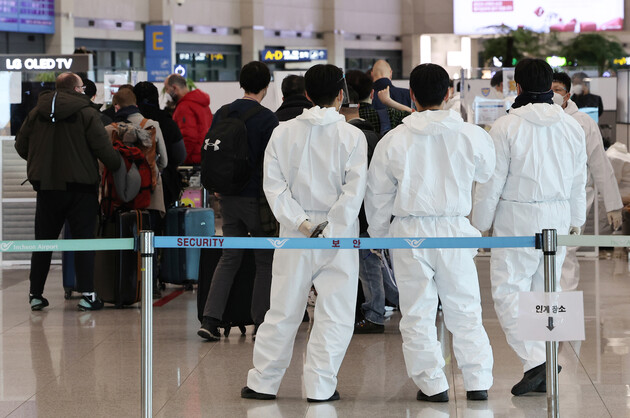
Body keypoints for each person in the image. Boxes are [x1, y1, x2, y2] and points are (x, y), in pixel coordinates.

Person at [366, 63, 495, 402]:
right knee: (465, 307)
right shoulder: (472, 135)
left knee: (417, 311)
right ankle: (478, 380)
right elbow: (487, 173)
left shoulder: (394, 140)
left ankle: (433, 385)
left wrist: (379, 238)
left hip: (409, 231)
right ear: (449, 94)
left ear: (411, 96)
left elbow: (377, 195)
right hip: (454, 228)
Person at [242, 64, 367, 402]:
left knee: (283, 308)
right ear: (341, 95)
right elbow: (353, 192)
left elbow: (274, 187)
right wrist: (332, 227)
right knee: (335, 312)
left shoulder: (281, 132)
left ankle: (263, 383)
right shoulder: (352, 136)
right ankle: (320, 386)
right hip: (339, 235)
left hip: (295, 233)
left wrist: (301, 223)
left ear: (307, 95)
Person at [472, 58, 588, 396]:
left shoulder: (506, 127)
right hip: (558, 217)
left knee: (509, 291)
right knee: (547, 292)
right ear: (551, 87)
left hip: (517, 218)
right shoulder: (570, 126)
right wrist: (576, 222)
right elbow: (578, 180)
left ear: (517, 86)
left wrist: (480, 223)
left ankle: (537, 360)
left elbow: (492, 182)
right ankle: (544, 361)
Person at [15, 72, 122, 311]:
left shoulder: (36, 112)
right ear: (76, 89)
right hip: (80, 189)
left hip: (46, 187)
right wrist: (117, 164)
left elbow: (21, 146)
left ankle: (35, 294)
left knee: (42, 242)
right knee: (84, 241)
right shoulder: (87, 113)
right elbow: (102, 149)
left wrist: (40, 162)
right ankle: (88, 295)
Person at [197, 61, 279, 341]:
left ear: (241, 83)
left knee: (229, 257)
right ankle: (261, 323)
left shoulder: (222, 112)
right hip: (256, 199)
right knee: (265, 259)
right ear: (266, 87)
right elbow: (271, 163)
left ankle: (210, 319)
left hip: (227, 198)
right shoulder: (267, 119)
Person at [551, 72, 623, 291]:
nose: (553, 95)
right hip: (543, 197)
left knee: (567, 251)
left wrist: (613, 206)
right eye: (550, 90)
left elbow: (600, 164)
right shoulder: (538, 119)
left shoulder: (583, 123)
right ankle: (543, 311)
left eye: (558, 90)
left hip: (576, 197)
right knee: (543, 254)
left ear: (568, 95)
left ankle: (565, 306)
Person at [339, 86, 398, 334]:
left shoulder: (345, 137)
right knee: (377, 262)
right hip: (374, 211)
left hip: (358, 213)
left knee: (369, 265)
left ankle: (374, 314)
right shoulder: (374, 136)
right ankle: (401, 301)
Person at [133, 81, 187, 210]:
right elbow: (180, 155)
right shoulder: (166, 122)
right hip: (164, 184)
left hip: (131, 186)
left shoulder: (124, 122)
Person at [164, 74, 213, 165]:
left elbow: (188, 137)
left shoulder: (184, 107)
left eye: (167, 88)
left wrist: (181, 160)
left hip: (191, 160)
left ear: (174, 88)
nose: (166, 92)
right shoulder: (202, 104)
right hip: (205, 156)